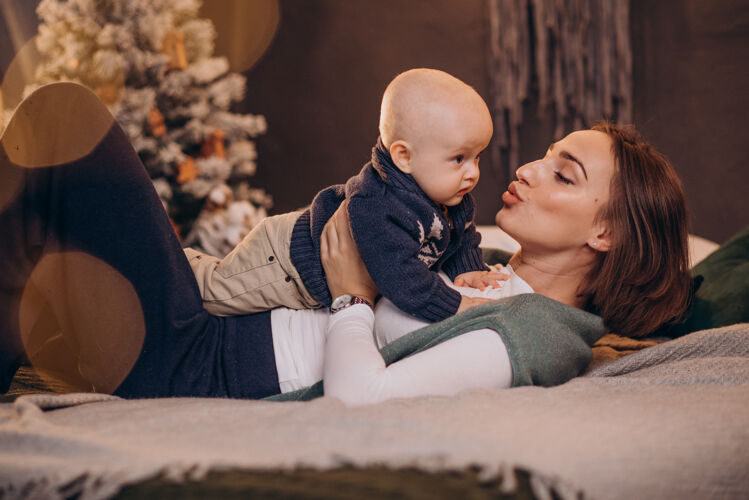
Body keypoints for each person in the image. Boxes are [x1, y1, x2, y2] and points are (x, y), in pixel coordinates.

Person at [0, 81, 690, 406]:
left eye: (562, 175)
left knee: (65, 119)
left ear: (605, 233)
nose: (527, 169)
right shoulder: (485, 268)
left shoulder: (538, 332)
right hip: (206, 327)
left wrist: (349, 299)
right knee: (35, 219)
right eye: (544, 154)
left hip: (193, 365)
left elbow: (359, 397)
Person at [186, 68, 504, 323]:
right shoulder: (380, 204)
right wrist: (456, 305)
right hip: (285, 261)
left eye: (477, 157)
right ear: (404, 157)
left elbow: (462, 236)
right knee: (214, 294)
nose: (473, 172)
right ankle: (176, 260)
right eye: (459, 159)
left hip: (302, 263)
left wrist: (468, 270)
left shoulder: (453, 197)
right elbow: (403, 279)